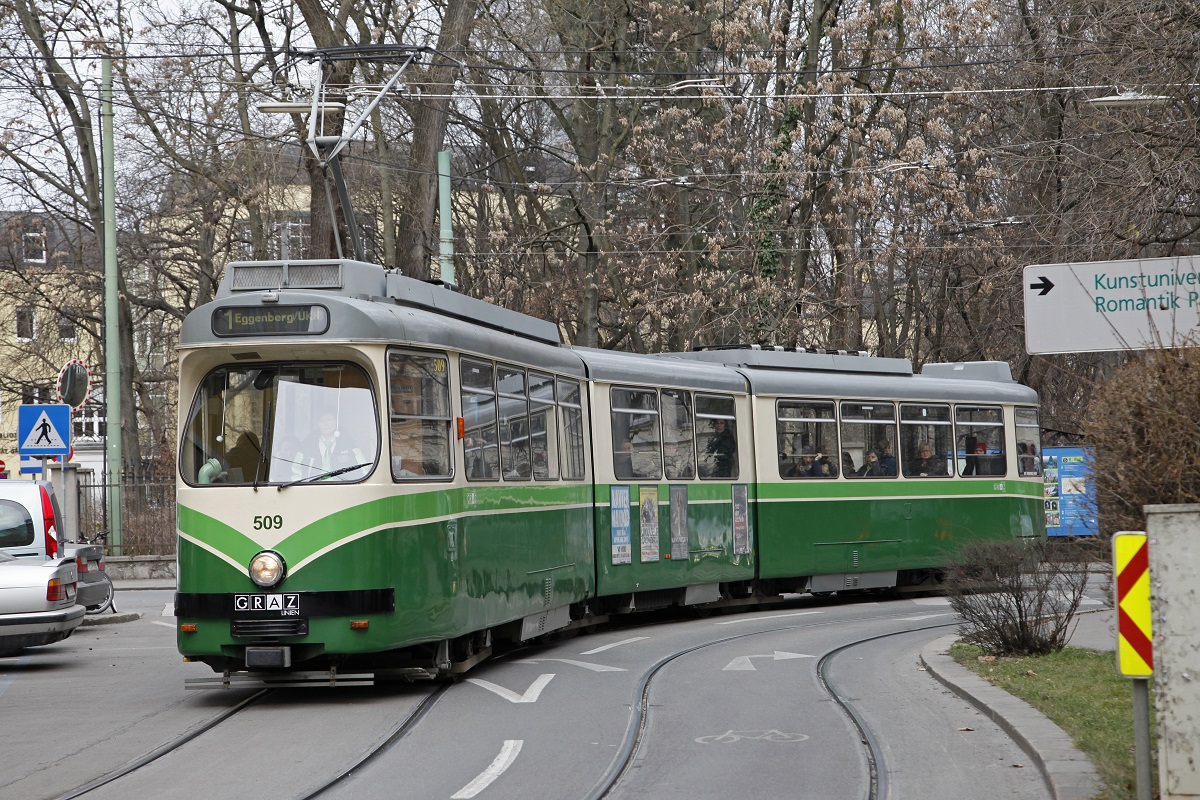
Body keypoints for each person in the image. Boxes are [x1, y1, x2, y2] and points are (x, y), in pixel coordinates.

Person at [293, 411, 366, 480]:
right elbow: (296, 475)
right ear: (318, 424)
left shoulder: (350, 447)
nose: (325, 424)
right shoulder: (307, 448)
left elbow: (364, 472)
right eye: (321, 421)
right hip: (312, 489)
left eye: (329, 420)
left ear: (337, 422)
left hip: (341, 489)